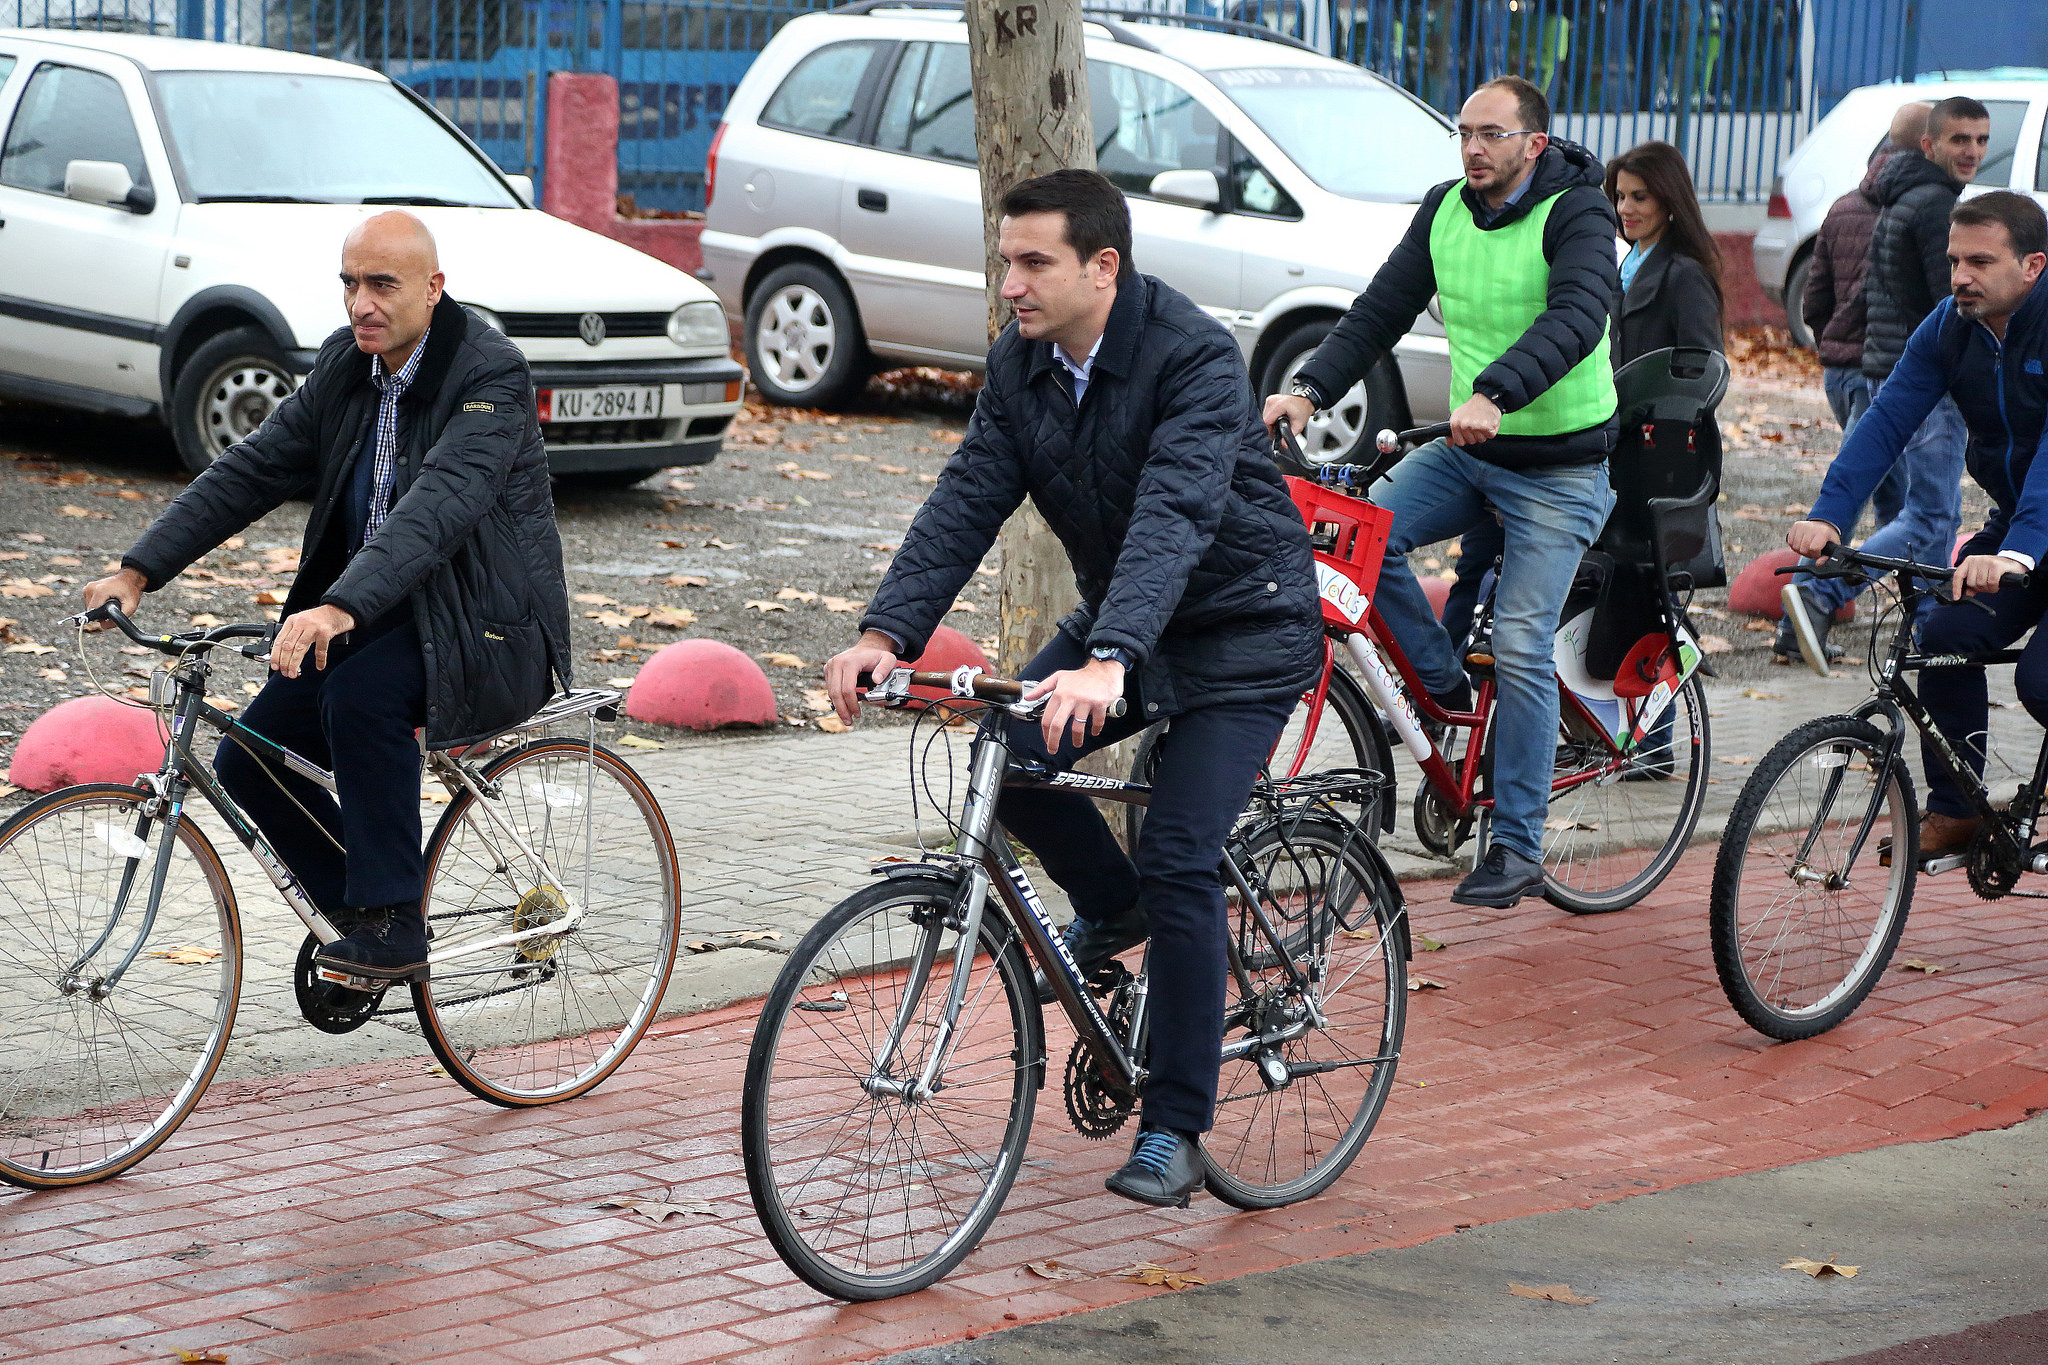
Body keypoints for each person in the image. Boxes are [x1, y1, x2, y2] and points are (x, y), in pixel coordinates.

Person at [824, 170, 1323, 1209]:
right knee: (999, 759)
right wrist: (884, 632)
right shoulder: (1024, 365)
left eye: (1032, 261)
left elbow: (1175, 513)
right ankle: (1115, 907)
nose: (1009, 282)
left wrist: (1111, 659)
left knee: (1184, 853)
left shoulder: (1189, 355)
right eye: (1004, 259)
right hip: (1125, 626)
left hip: (1241, 631)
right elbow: (968, 495)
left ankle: (1176, 1126)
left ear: (1103, 266)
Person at [82, 212, 572, 983]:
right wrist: (139, 569)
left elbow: (441, 502)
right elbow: (256, 466)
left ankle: (396, 926)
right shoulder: (349, 361)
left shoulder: (489, 374)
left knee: (360, 694)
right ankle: (362, 912)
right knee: (249, 760)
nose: (361, 303)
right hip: (375, 608)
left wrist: (340, 606)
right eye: (349, 283)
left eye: (382, 284)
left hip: (486, 627)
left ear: (434, 289)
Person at [1265, 74, 1619, 909]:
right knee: (1359, 534)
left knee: (1524, 642)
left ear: (1535, 143)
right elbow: (1380, 309)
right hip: (1470, 455)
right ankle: (1446, 691)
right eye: (1463, 132)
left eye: (1491, 135)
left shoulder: (1578, 212)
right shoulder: (1445, 208)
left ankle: (1518, 846)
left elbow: (1578, 315)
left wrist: (1496, 392)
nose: (1472, 149)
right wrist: (1309, 389)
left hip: (1560, 469)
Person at [1787, 191, 2048, 860]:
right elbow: (1885, 420)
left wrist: (2018, 550)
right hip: (2018, 530)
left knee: (2041, 681)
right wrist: (1829, 514)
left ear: (2033, 266)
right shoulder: (1950, 326)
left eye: (1980, 261)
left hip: (2029, 534)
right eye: (1955, 259)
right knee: (1946, 634)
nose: (1960, 275)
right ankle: (1958, 811)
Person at [1442, 136, 1725, 656]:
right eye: (1619, 196)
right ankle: (1445, 688)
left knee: (1640, 601)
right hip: (1595, 436)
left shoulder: (1684, 274)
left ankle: (1653, 731)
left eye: (1640, 197)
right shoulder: (1620, 265)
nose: (1625, 209)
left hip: (1644, 457)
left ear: (1669, 199)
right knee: (1497, 568)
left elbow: (1701, 375)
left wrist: (1652, 418)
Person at [1780, 95, 1991, 672]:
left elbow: (1825, 296)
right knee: (1931, 517)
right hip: (1923, 385)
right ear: (1929, 145)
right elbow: (1950, 312)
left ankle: (1922, 630)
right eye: (1959, 141)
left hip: (1883, 370)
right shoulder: (1933, 205)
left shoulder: (1885, 197)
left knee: (1910, 512)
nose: (1972, 152)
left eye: (1981, 141)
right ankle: (1823, 594)